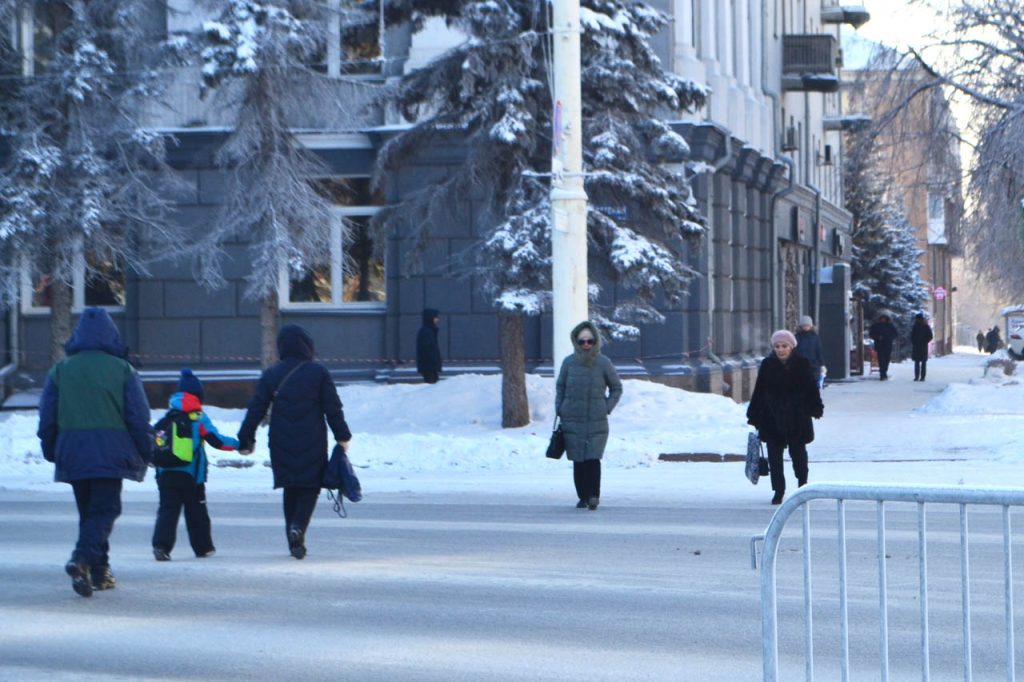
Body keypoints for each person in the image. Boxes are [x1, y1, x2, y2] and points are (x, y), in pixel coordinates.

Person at [36, 308, 152, 597]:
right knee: (106, 510)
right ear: (111, 336)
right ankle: (82, 559)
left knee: (89, 513)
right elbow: (138, 417)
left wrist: (51, 448)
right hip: (110, 453)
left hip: (72, 451)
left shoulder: (61, 370)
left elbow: (47, 416)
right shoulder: (123, 370)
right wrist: (146, 450)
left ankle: (99, 572)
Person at [237, 325, 352, 559]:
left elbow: (256, 408)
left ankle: (293, 539)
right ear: (306, 346)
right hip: (312, 439)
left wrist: (246, 438)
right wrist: (342, 435)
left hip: (280, 441)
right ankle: (298, 528)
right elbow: (333, 408)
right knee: (309, 487)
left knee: (290, 487)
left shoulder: (271, 375)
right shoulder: (318, 373)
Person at [151, 369, 240, 561]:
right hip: (191, 476)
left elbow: (154, 441)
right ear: (199, 396)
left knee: (167, 510)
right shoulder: (198, 418)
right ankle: (203, 548)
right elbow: (218, 441)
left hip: (165, 474)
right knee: (197, 511)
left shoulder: (166, 418)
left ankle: (161, 546)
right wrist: (239, 444)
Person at [746, 330, 824, 505]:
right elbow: (760, 391)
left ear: (791, 347)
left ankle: (802, 486)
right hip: (772, 417)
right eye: (777, 346)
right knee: (775, 458)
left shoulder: (802, 364)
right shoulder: (767, 365)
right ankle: (778, 490)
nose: (780, 350)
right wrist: (754, 413)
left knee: (799, 455)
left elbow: (811, 389)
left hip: (797, 417)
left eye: (784, 346)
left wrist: (815, 407)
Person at [555, 321, 623, 511]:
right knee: (578, 460)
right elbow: (561, 387)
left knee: (593, 458)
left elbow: (616, 388)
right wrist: (560, 408)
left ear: (595, 342)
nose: (586, 345)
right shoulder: (568, 363)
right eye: (582, 341)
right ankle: (582, 496)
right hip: (572, 418)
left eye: (590, 341)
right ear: (576, 342)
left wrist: (606, 407)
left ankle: (594, 495)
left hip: (596, 420)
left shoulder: (603, 363)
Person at [794, 315, 824, 389]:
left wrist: (822, 364)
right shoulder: (797, 337)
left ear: (811, 326)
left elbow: (819, 351)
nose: (806, 327)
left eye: (807, 325)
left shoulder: (815, 337)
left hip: (813, 366)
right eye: (804, 325)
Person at [868, 312, 898, 380]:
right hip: (879, 345)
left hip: (888, 345)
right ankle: (882, 373)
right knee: (881, 360)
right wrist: (877, 337)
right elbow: (871, 334)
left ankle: (884, 371)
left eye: (884, 318)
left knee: (886, 359)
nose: (883, 320)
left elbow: (895, 334)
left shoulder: (890, 326)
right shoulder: (876, 326)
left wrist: (889, 337)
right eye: (882, 318)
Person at [416, 308, 443, 383]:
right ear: (430, 318)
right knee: (431, 388)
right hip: (429, 366)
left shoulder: (429, 331)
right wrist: (434, 360)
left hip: (430, 366)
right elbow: (427, 349)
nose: (437, 320)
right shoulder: (426, 332)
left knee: (433, 387)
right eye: (436, 317)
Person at [910, 314, 934, 382]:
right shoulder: (915, 326)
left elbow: (930, 336)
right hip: (917, 346)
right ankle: (917, 377)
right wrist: (914, 341)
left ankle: (922, 377)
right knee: (917, 362)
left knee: (922, 363)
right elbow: (912, 335)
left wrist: (925, 341)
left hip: (922, 346)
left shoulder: (926, 326)